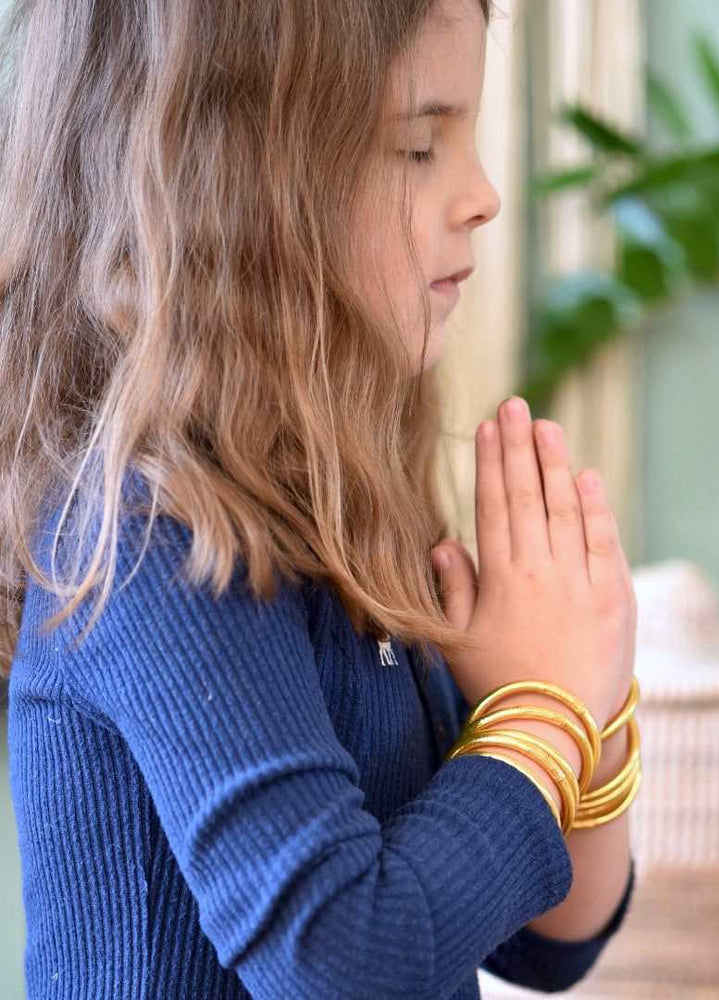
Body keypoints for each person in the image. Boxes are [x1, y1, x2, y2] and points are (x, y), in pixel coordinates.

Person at [0, 0, 639, 997]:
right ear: (243, 186)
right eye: (420, 145)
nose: (481, 194)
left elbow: (548, 939)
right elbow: (342, 960)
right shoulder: (146, 533)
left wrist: (579, 694)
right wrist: (548, 713)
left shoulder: (340, 506)